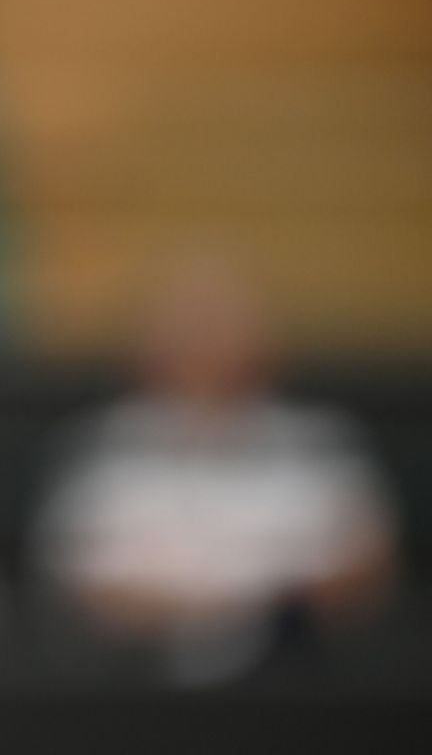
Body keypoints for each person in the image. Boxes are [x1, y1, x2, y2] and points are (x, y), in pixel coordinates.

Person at [33, 252, 396, 686]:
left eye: (220, 325)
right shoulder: (102, 446)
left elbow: (365, 568)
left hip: (300, 678)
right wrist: (194, 618)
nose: (206, 342)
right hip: (135, 685)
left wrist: (261, 615)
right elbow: (79, 584)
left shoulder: (320, 443)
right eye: (188, 326)